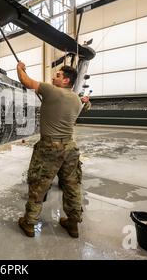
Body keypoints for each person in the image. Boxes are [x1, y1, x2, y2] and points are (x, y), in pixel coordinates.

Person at [16, 61, 86, 238]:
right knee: (72, 186)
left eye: (58, 75)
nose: (54, 77)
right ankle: (73, 223)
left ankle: (30, 222)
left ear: (66, 80)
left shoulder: (50, 90)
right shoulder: (77, 100)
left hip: (50, 147)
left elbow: (26, 81)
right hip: (70, 147)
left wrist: (20, 68)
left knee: (38, 184)